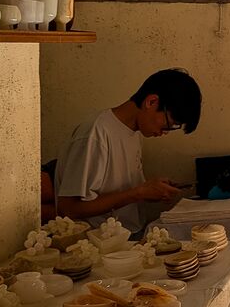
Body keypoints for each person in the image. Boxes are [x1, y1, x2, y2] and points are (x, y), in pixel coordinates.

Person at [54, 68, 202, 235]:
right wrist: (138, 193)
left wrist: (150, 190)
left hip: (130, 235)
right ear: (151, 102)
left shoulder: (134, 132)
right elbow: (68, 209)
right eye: (168, 124)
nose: (164, 132)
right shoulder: (95, 134)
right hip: (98, 244)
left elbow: (120, 192)